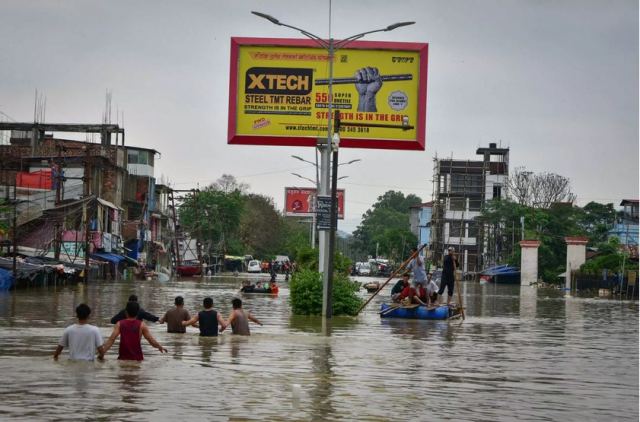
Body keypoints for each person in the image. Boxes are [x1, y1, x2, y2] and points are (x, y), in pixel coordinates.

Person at [102, 301, 167, 360]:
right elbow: (150, 340)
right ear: (137, 312)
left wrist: (102, 353)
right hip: (138, 359)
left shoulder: (119, 324)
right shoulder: (142, 325)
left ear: (126, 312)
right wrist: (159, 346)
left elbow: (111, 339)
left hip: (123, 359)